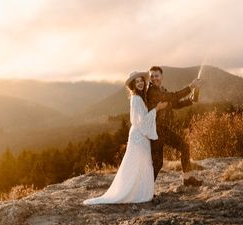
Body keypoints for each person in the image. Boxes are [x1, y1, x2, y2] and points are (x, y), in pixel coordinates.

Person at [83, 71, 168, 204]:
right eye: (137, 81)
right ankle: (137, 193)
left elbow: (142, 120)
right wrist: (156, 109)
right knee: (138, 163)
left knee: (141, 163)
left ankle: (141, 191)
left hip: (140, 135)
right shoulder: (136, 99)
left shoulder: (140, 98)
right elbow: (141, 121)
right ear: (133, 85)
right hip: (139, 136)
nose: (140, 83)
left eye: (141, 80)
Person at [146, 66, 203, 187]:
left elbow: (175, 104)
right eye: (152, 76)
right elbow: (174, 96)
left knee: (181, 148)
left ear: (162, 77)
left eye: (157, 75)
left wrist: (191, 99)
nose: (154, 78)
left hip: (162, 130)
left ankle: (187, 178)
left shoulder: (162, 90)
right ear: (149, 78)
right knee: (158, 162)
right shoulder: (152, 92)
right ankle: (146, 189)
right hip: (156, 130)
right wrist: (190, 87)